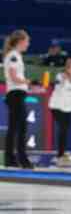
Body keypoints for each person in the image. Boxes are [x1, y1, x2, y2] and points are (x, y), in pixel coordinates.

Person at [3, 29, 32, 169]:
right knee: (20, 128)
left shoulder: (15, 55)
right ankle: (22, 159)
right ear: (21, 41)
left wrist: (26, 84)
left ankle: (10, 159)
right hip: (15, 95)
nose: (28, 44)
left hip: (16, 94)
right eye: (27, 41)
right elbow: (14, 77)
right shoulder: (13, 55)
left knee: (15, 127)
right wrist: (27, 81)